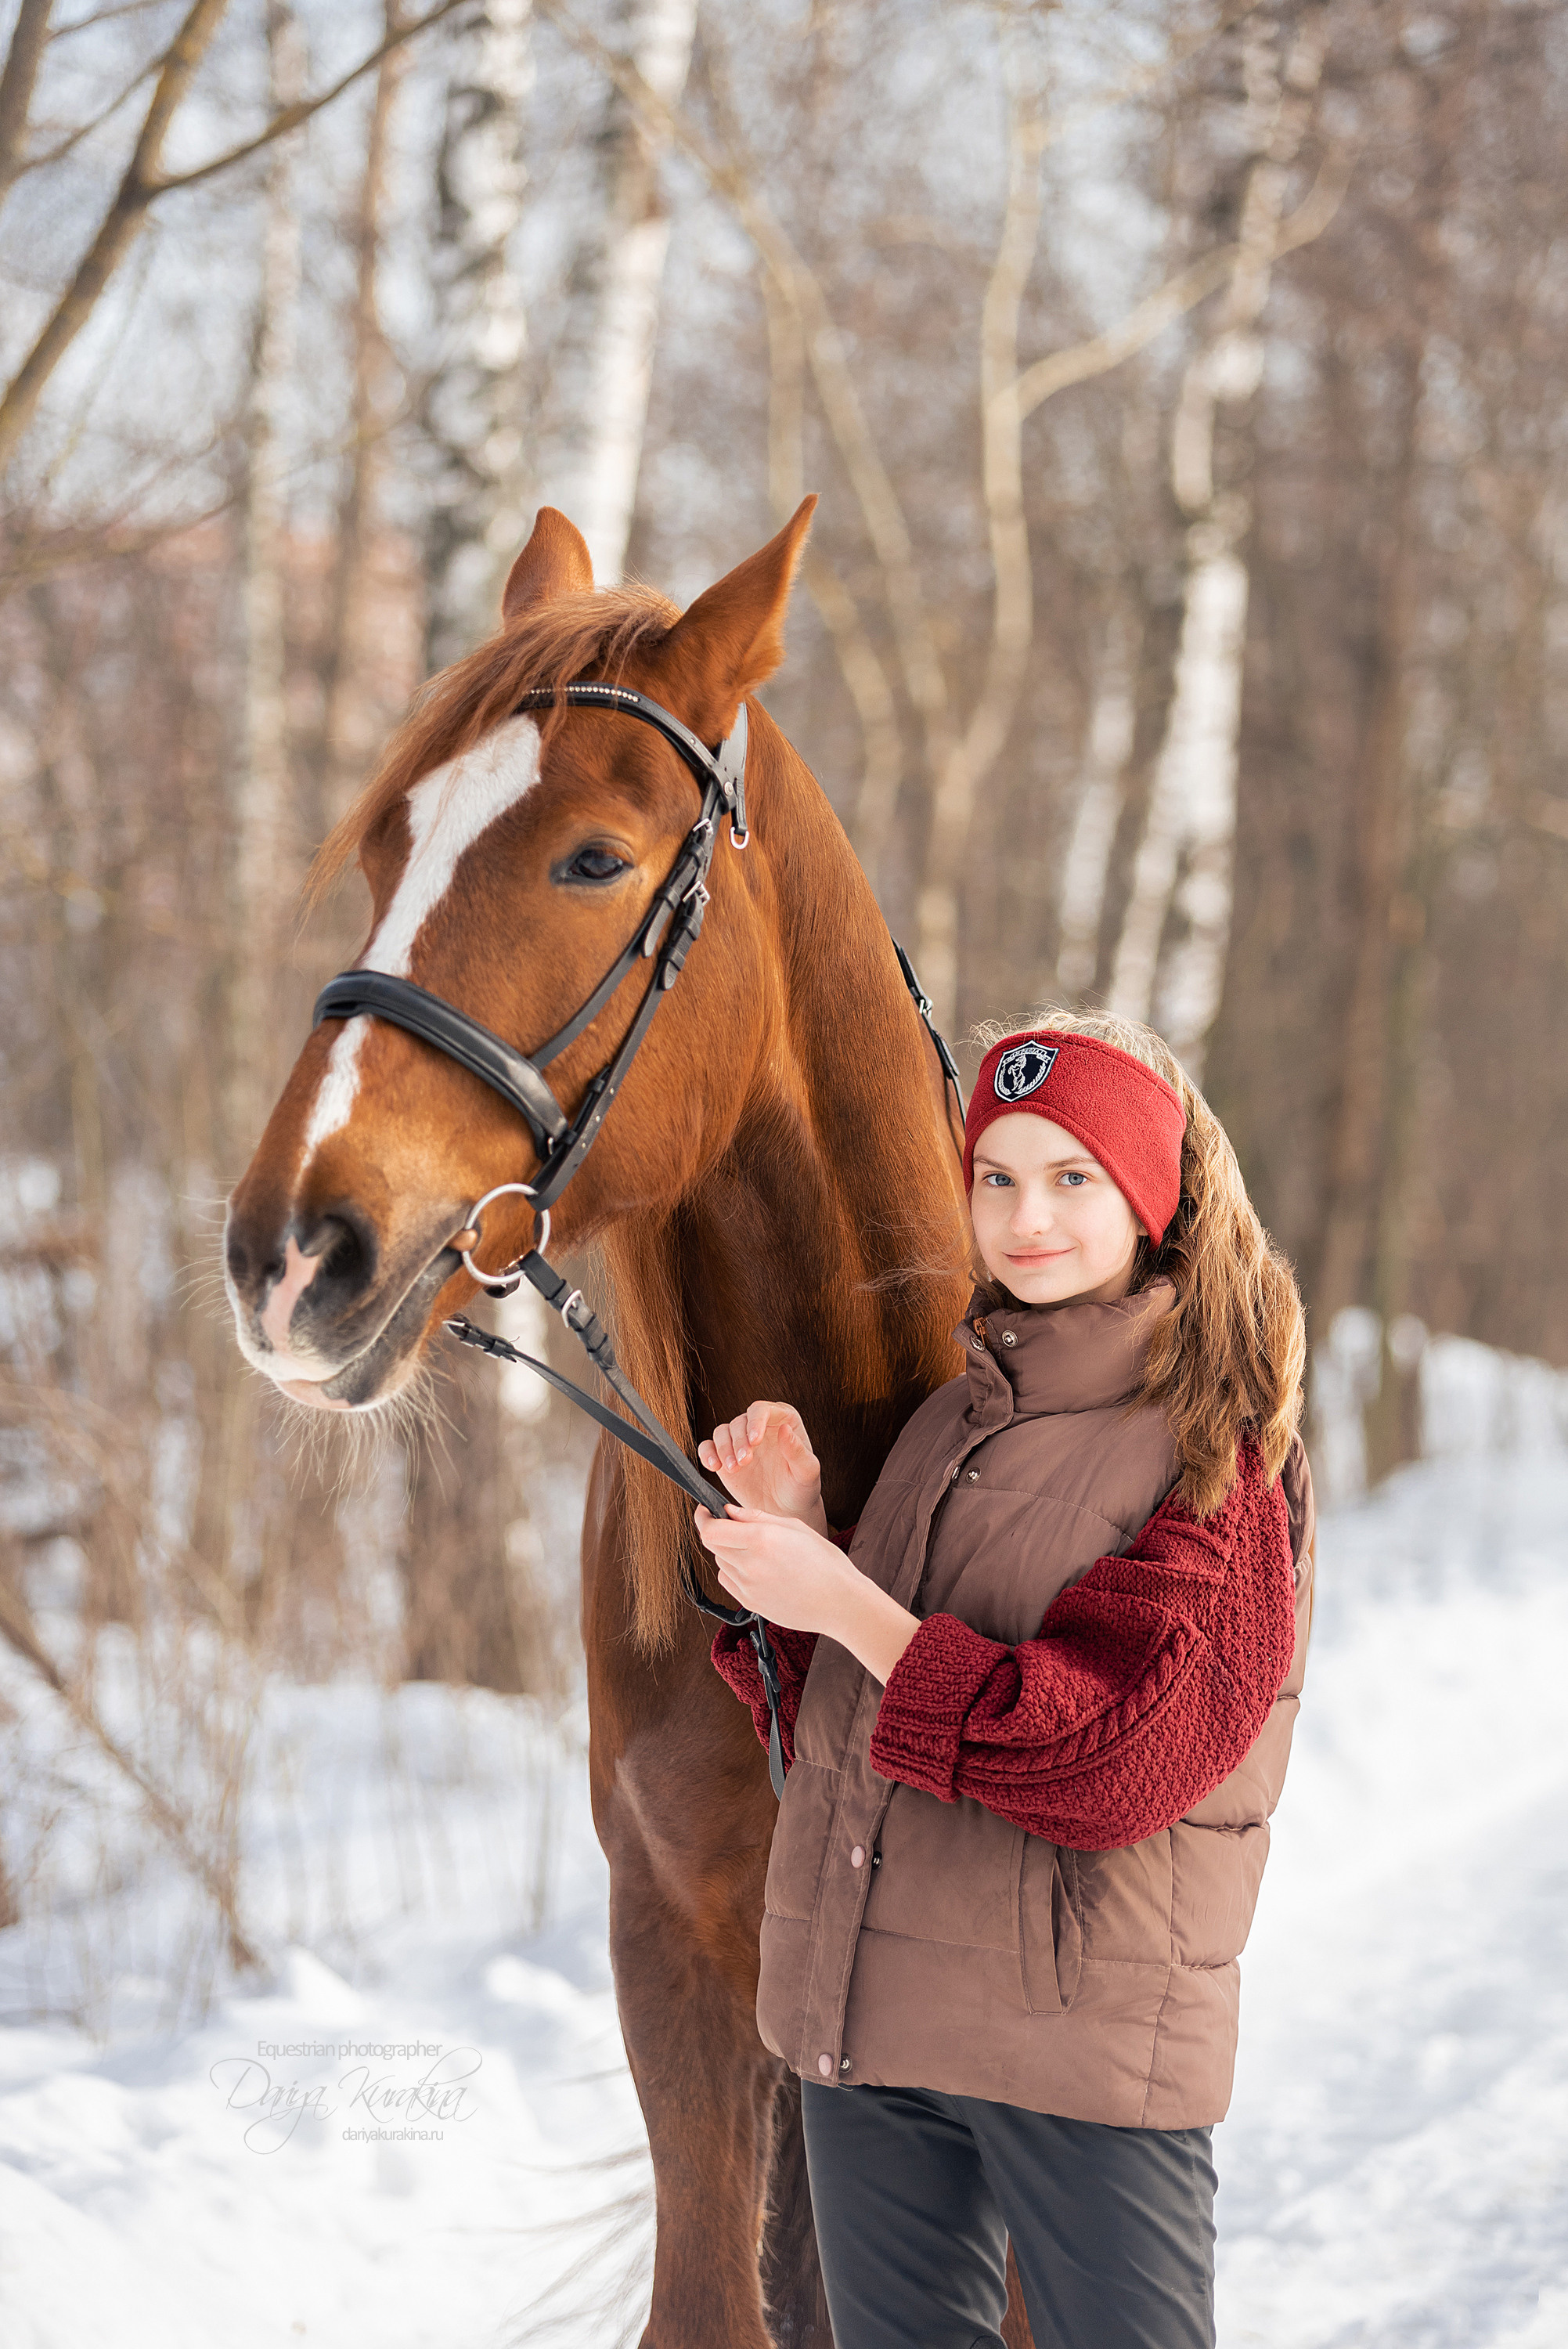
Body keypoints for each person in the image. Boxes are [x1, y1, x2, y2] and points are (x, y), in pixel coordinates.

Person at [695, 1008, 1314, 2349]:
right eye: (997, 1177)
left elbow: (1103, 1759)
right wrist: (800, 1547)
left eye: (1072, 1176)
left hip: (1079, 2053)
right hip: (875, 2035)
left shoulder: (1214, 1449)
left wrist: (845, 1599)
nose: (1027, 1217)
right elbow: (855, 1737)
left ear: (1150, 1195)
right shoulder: (952, 1417)